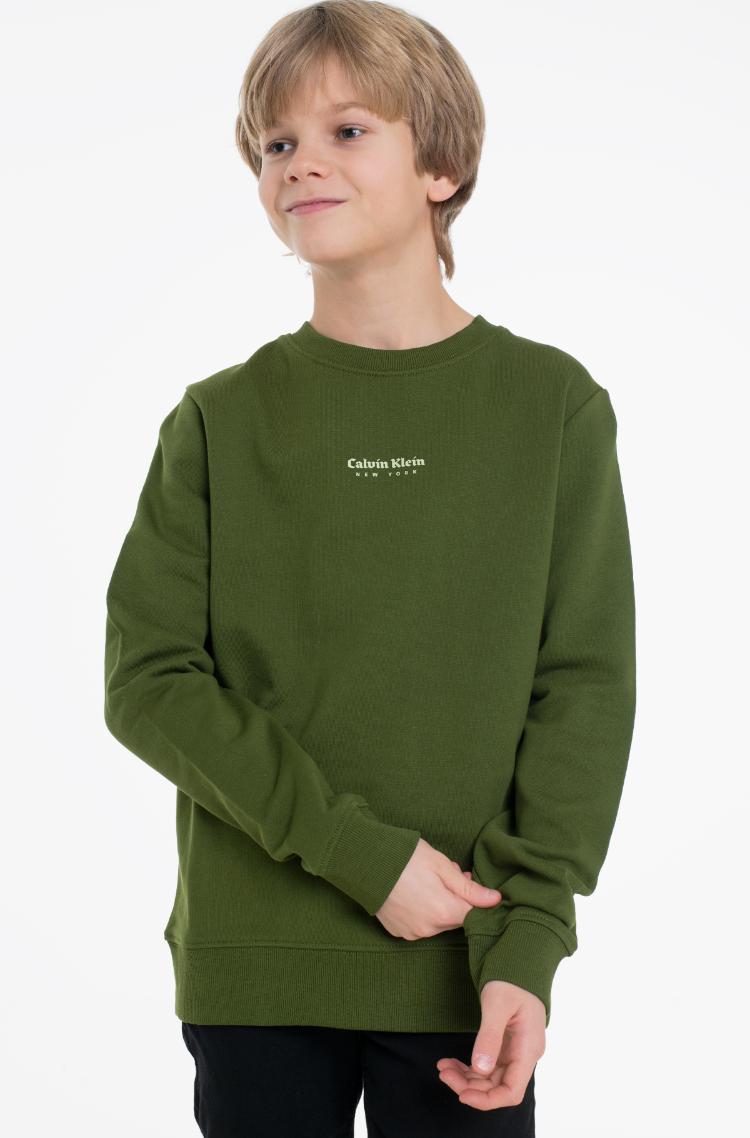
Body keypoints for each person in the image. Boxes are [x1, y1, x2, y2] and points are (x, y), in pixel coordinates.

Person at [103, 1, 637, 1134]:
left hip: (468, 960)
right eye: (277, 143)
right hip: (258, 969)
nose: (300, 164)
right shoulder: (219, 420)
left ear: (442, 166)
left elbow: (583, 691)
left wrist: (529, 941)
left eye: (347, 131)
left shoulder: (550, 408)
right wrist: (360, 853)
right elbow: (148, 680)